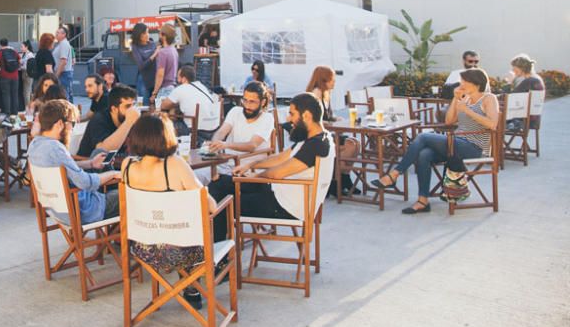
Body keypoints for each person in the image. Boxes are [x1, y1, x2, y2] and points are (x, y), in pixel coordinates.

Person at [123, 112, 217, 310]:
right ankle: (192, 285)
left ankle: (187, 286)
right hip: (182, 252)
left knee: (176, 229)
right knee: (199, 226)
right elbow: (210, 206)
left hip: (143, 249)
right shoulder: (174, 164)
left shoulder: (127, 166)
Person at [372, 68, 498, 214]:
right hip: (455, 143)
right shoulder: (465, 99)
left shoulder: (489, 98)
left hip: (473, 147)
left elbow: (492, 124)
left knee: (423, 137)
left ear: (475, 83)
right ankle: (423, 201)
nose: (460, 83)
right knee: (424, 155)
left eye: (464, 81)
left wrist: (467, 110)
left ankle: (394, 174)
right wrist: (455, 99)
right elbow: (449, 121)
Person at [211, 92, 334, 240]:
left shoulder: (316, 144)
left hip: (285, 207)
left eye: (292, 114)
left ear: (306, 115)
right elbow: (281, 157)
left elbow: (276, 174)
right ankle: (211, 249)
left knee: (224, 205)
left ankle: (218, 257)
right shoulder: (316, 138)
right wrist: (251, 165)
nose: (289, 119)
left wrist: (253, 177)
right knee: (219, 183)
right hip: (280, 194)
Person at [27, 100, 121, 224]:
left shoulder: (35, 144)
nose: (72, 129)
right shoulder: (56, 148)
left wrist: (91, 163)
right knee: (128, 193)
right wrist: (113, 174)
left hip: (55, 209)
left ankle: (112, 234)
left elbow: (62, 168)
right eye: (72, 124)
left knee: (98, 153)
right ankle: (119, 239)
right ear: (60, 124)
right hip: (82, 210)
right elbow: (85, 182)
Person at [202, 82, 274, 184]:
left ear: (263, 102)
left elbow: (251, 146)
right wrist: (215, 143)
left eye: (252, 102)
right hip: (227, 163)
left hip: (248, 169)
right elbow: (222, 131)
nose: (247, 105)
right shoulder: (235, 111)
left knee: (213, 184)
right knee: (193, 175)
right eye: (245, 100)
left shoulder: (267, 118)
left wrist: (225, 145)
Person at [305, 65, 359, 195]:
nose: (334, 82)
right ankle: (336, 181)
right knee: (351, 145)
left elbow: (326, 116)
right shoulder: (314, 95)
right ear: (323, 80)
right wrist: (330, 122)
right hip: (317, 138)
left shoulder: (325, 94)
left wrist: (335, 119)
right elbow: (312, 121)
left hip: (327, 134)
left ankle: (343, 179)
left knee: (356, 144)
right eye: (332, 79)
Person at [159, 64, 220, 142]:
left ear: (184, 79)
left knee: (167, 121)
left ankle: (170, 146)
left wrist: (174, 104)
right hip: (214, 129)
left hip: (196, 130)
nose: (177, 79)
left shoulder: (181, 88)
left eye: (178, 77)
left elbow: (164, 106)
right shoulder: (201, 86)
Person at [76, 84, 139, 159]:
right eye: (128, 106)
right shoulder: (99, 120)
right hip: (92, 167)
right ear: (114, 109)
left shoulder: (129, 119)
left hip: (118, 165)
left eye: (134, 105)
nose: (132, 110)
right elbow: (102, 150)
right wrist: (128, 122)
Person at [505, 53, 545, 133]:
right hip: (533, 120)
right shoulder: (536, 78)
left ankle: (494, 145)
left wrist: (509, 82)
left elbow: (507, 97)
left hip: (522, 122)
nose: (513, 70)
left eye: (514, 68)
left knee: (493, 120)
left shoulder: (529, 81)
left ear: (521, 68)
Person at [150, 23, 179, 101]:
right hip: (172, 88)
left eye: (160, 33)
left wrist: (154, 93)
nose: (159, 35)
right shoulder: (174, 50)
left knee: (159, 112)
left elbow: (160, 74)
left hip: (164, 90)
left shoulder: (163, 52)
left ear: (164, 36)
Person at [0, 38, 21, 117]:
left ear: (0, 44)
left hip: (4, 76)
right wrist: (17, 67)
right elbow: (20, 60)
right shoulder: (14, 52)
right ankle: (15, 112)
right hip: (15, 76)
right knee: (15, 94)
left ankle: (8, 113)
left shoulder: (0, 52)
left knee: (6, 94)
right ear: (8, 43)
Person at [129, 23, 157, 101]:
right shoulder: (135, 47)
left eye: (148, 32)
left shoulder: (152, 44)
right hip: (144, 80)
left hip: (155, 79)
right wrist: (154, 55)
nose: (147, 35)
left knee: (156, 105)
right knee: (144, 106)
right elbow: (141, 66)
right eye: (144, 33)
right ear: (139, 35)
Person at [53, 26, 75, 98]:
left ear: (64, 34)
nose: (56, 34)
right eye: (56, 32)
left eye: (58, 33)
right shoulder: (61, 44)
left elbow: (63, 61)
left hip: (63, 74)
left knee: (63, 96)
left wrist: (56, 75)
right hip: (62, 74)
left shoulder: (64, 44)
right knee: (63, 95)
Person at [19, 40, 35, 112]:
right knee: (28, 91)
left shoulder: (30, 55)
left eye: (22, 47)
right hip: (24, 73)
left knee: (27, 92)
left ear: (26, 47)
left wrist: (21, 66)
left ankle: (28, 108)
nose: (21, 48)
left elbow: (26, 66)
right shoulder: (24, 54)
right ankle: (30, 107)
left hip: (27, 74)